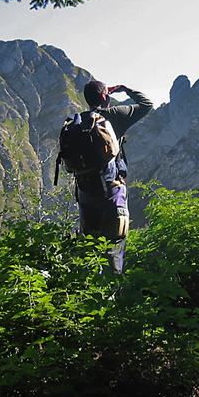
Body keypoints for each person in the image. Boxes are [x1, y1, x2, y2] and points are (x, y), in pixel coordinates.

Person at [76, 80, 153, 274]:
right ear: (105, 96)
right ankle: (114, 296)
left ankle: (85, 295)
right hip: (112, 192)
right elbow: (147, 104)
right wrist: (126, 89)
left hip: (84, 194)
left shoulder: (77, 121)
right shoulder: (113, 116)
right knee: (114, 249)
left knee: (90, 250)